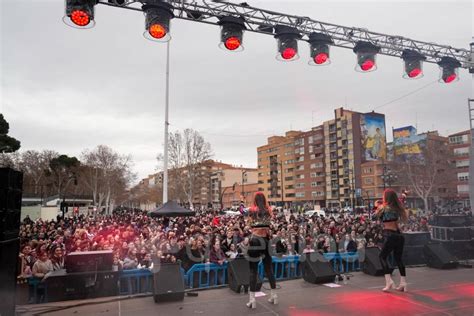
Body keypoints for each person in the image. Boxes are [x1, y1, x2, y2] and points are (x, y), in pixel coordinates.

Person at [373, 189, 409, 292]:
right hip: (399, 235)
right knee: (398, 259)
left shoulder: (383, 208)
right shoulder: (397, 207)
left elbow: (374, 217)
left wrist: (376, 206)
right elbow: (402, 199)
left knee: (382, 257)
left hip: (389, 235)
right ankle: (403, 282)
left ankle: (389, 281)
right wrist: (405, 194)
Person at [246, 192, 277, 309]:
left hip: (255, 240)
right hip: (266, 240)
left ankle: (252, 300)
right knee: (269, 269)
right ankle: (274, 296)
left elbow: (249, 225)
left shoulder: (252, 210)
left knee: (253, 271)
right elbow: (270, 226)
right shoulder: (269, 210)